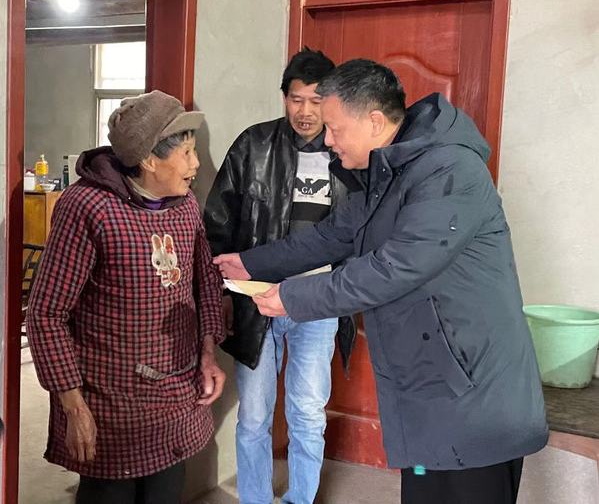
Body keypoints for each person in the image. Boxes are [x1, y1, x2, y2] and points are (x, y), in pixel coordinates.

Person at [214, 59, 548, 504]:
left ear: (374, 121)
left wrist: (293, 297)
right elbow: (330, 236)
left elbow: (396, 267)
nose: (327, 141)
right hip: (431, 384)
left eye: (335, 129)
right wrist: (249, 263)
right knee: (425, 487)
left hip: (474, 390)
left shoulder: (449, 170)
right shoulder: (389, 173)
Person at [26, 90, 226, 504]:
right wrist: (73, 407)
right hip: (111, 404)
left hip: (175, 397)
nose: (195, 164)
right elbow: (46, 314)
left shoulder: (185, 205)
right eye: (187, 153)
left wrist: (208, 353)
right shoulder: (88, 207)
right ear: (149, 159)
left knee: (164, 494)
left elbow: (204, 280)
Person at [204, 48, 354, 504]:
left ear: (332, 101)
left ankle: (300, 498)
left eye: (316, 101)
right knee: (253, 415)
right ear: (284, 97)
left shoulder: (346, 152)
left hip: (318, 300)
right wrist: (222, 293)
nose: (305, 111)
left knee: (307, 411)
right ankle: (254, 498)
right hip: (256, 300)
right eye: (296, 99)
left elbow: (360, 231)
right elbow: (217, 222)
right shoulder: (254, 145)